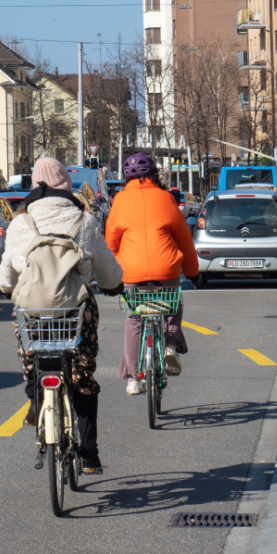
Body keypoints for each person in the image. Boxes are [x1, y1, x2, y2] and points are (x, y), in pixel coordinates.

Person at [0, 158, 123, 474]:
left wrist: (5, 287)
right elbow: (107, 272)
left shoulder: (20, 225)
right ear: (67, 185)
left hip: (33, 312)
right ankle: (89, 452)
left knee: (32, 356)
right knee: (82, 373)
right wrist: (114, 285)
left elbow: (6, 274)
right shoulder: (86, 221)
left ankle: (35, 400)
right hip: (75, 310)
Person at [106, 154, 199, 394]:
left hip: (131, 272)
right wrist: (193, 272)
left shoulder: (120, 201)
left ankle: (133, 379)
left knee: (133, 319)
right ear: (155, 174)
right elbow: (185, 241)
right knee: (173, 303)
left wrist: (111, 276)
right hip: (165, 268)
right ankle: (169, 346)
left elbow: (111, 243)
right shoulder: (166, 198)